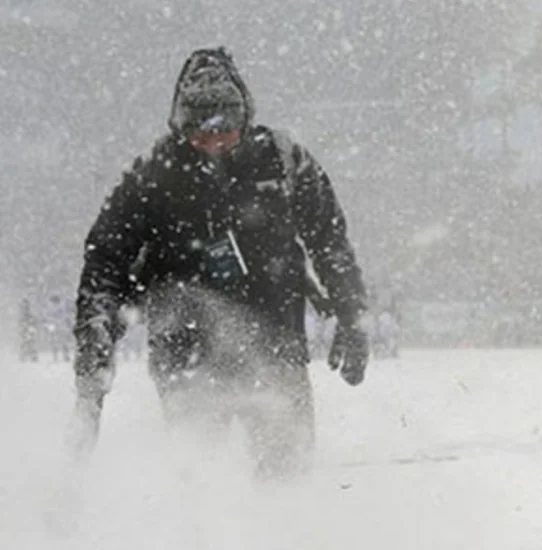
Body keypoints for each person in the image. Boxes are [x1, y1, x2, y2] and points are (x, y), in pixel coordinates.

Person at [69, 47, 370, 476]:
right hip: (185, 357)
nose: (212, 142)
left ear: (244, 118)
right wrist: (94, 355)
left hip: (276, 347)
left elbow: (330, 240)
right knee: (199, 480)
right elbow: (104, 266)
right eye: (198, 131)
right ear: (180, 126)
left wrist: (351, 314)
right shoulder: (152, 177)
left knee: (287, 476)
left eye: (224, 128)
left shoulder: (283, 160)